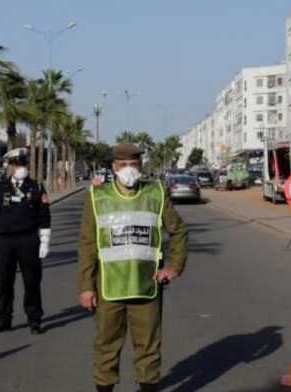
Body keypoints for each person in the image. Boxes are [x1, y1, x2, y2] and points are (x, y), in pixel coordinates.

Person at [78, 143, 188, 392]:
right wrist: (86, 286)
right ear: (113, 167)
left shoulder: (156, 193)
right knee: (106, 347)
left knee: (148, 348)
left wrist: (174, 267)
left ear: (141, 166)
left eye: (134, 165)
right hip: (108, 288)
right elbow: (87, 244)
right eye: (123, 165)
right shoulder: (97, 197)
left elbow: (178, 230)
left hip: (146, 286)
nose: (129, 169)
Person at [0, 148, 51, 335]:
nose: (21, 168)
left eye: (23, 164)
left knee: (32, 281)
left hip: (28, 240)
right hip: (5, 241)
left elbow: (44, 215)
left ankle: (34, 320)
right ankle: (4, 318)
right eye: (17, 165)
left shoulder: (36, 187)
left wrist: (45, 242)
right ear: (9, 167)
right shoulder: (1, 188)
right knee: (4, 281)